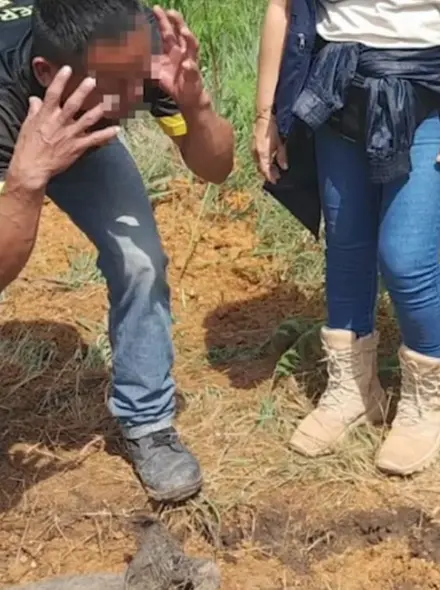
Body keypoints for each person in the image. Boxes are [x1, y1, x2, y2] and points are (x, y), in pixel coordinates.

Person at [0, 0, 235, 502]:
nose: (134, 99)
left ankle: (148, 421)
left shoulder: (137, 49)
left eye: (138, 80)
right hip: (17, 132)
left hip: (81, 135)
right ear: (47, 73)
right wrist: (25, 183)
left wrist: (196, 105)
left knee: (140, 261)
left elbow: (216, 169)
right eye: (114, 85)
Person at [252, 0, 440, 475]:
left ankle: (431, 404)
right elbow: (281, 7)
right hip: (337, 86)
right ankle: (353, 390)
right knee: (346, 246)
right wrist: (265, 115)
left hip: (426, 91)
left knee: (406, 258)